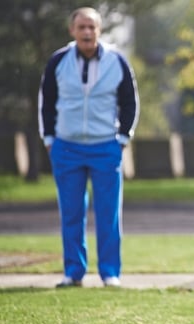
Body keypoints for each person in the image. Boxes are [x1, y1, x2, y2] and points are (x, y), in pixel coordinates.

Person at [38, 7, 139, 288]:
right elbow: (45, 102)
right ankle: (73, 272)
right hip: (66, 147)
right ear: (72, 30)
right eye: (81, 27)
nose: (86, 32)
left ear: (100, 30)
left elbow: (130, 102)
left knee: (108, 213)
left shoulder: (116, 61)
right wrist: (49, 139)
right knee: (71, 213)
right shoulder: (58, 61)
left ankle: (110, 273)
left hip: (105, 146)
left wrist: (122, 138)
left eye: (91, 27)